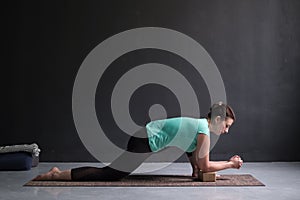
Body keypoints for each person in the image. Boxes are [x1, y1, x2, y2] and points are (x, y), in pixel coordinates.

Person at [34, 102, 243, 181]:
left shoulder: (200, 128)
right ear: (217, 119)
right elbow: (205, 164)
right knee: (112, 174)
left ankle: (58, 173)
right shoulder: (203, 130)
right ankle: (57, 174)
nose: (225, 131)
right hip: (143, 139)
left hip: (143, 134)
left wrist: (194, 170)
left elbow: (189, 149)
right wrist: (231, 164)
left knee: (114, 173)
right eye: (226, 126)